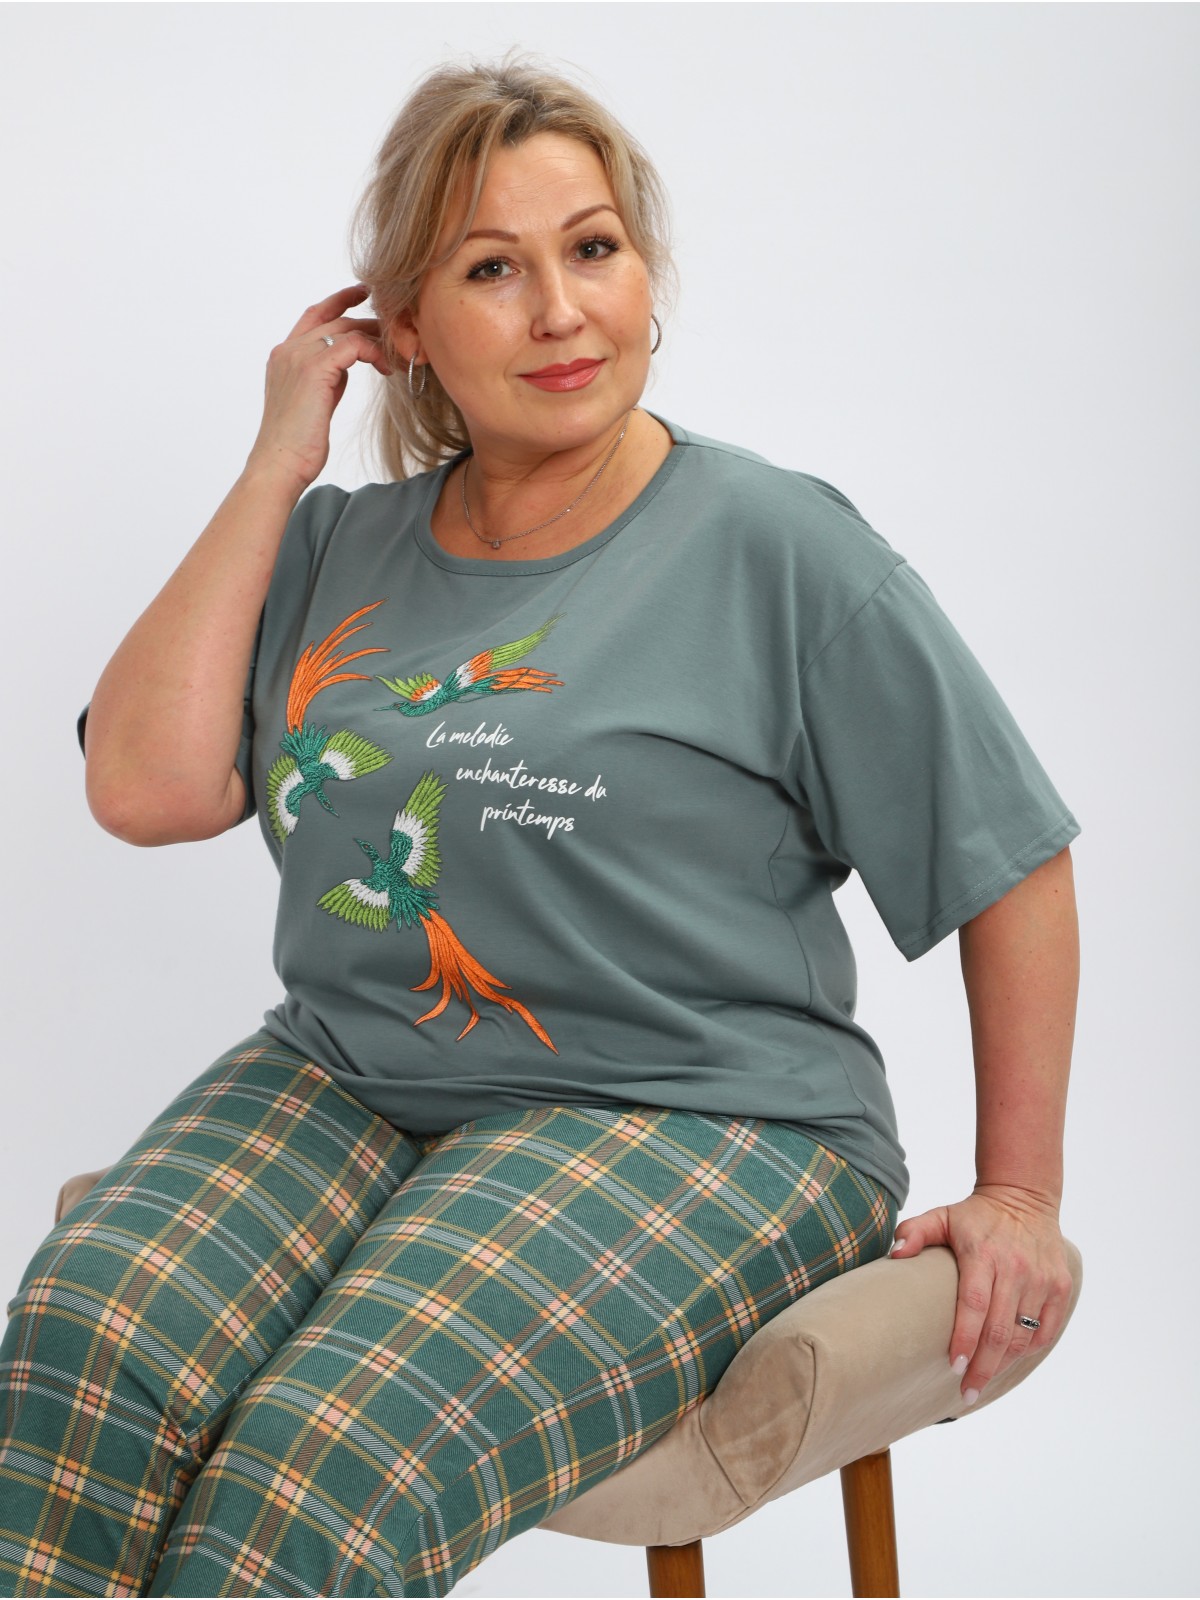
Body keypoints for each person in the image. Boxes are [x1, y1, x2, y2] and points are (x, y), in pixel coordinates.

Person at [0, 53, 1080, 1599]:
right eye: (492, 270)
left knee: (328, 1455)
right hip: (349, 1074)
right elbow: (147, 789)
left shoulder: (776, 549)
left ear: (646, 278)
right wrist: (276, 462)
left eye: (594, 249)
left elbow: (1009, 858)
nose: (561, 310)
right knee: (81, 1347)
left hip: (701, 1116)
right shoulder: (338, 546)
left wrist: (1021, 1194)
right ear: (406, 326)